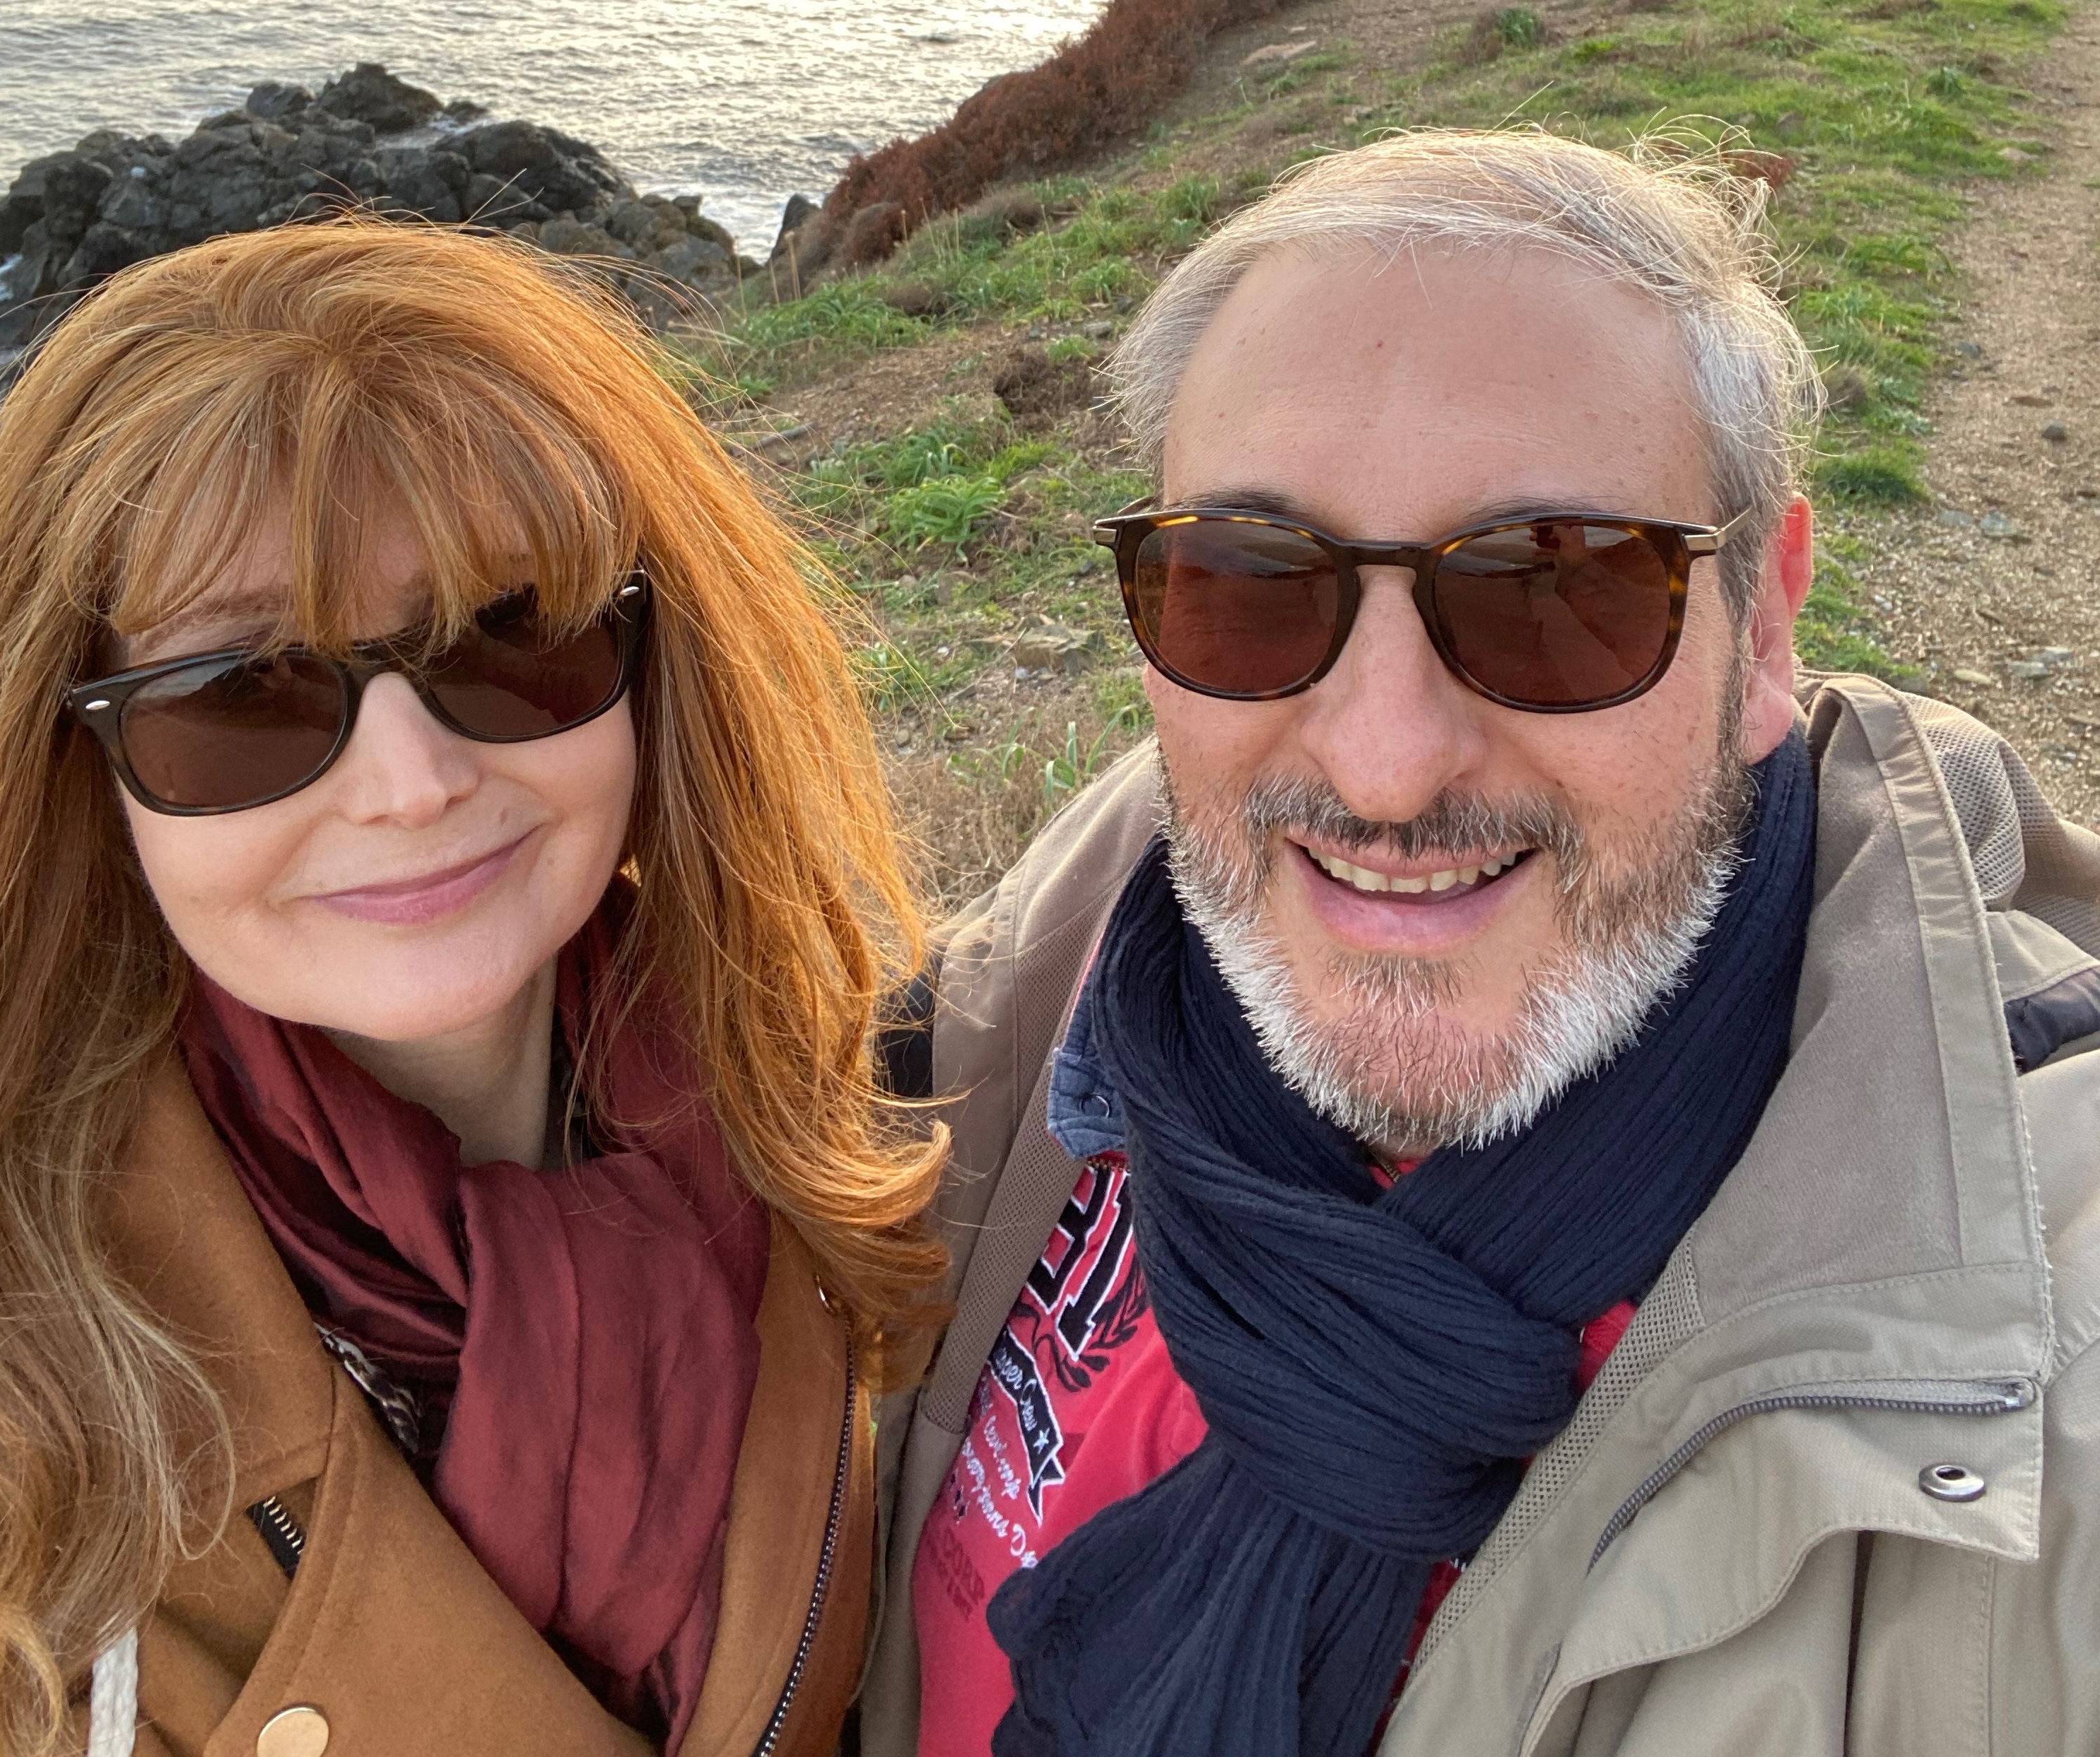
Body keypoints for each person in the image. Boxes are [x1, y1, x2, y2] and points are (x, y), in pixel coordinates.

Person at [861, 130, 2100, 1757]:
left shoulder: (2039, 1333)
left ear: (1764, 628)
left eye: (1551, 589)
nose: (1383, 766)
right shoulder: (1104, 920)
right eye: (1249, 581)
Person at [0, 219, 947, 1757]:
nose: (411, 781)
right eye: (241, 693)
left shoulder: (817, 1114)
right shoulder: (25, 1379)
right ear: (77, 771)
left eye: (508, 637)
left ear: (653, 662)